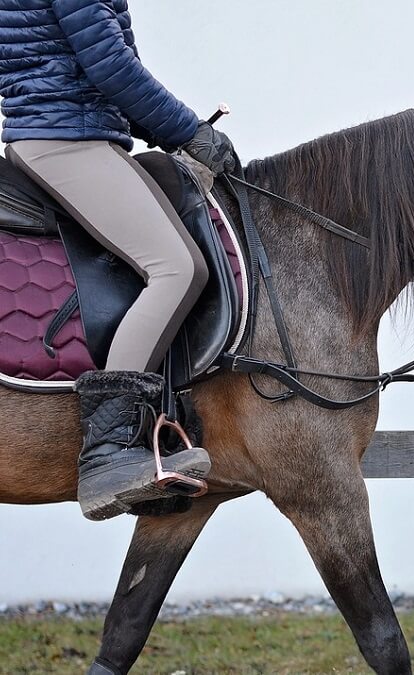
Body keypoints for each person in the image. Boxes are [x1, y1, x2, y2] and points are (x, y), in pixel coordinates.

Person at [0, 0, 237, 520]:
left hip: (66, 130)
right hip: (64, 139)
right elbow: (108, 61)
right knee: (178, 268)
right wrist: (187, 130)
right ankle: (108, 452)